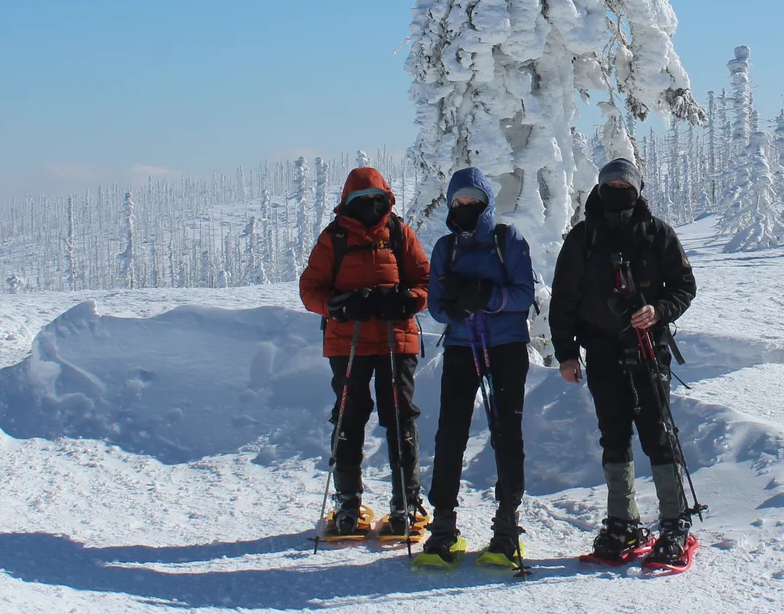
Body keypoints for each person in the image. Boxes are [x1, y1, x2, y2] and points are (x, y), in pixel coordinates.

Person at [548, 157, 699, 569]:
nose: (617, 191)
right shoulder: (582, 238)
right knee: (613, 435)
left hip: (649, 348)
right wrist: (566, 353)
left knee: (657, 431)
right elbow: (563, 300)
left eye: (624, 184)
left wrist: (658, 311)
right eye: (609, 185)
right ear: (598, 189)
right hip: (600, 350)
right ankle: (623, 522)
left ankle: (674, 523)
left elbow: (685, 287)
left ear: (638, 188)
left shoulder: (656, 234)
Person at [413, 167, 537, 570]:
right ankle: (444, 526)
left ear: (485, 202)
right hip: (462, 346)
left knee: (506, 431)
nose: (466, 207)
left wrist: (485, 296)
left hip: (506, 346)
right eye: (458, 202)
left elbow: (524, 295)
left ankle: (506, 526)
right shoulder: (445, 247)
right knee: (450, 433)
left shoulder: (508, 240)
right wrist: (452, 306)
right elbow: (433, 305)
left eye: (473, 201)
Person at [299, 167, 430, 540]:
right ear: (348, 203)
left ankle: (402, 501)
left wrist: (406, 300)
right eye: (363, 201)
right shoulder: (334, 238)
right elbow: (310, 289)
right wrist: (338, 306)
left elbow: (425, 280)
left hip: (392, 339)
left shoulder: (399, 233)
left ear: (386, 200)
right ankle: (350, 501)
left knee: (397, 417)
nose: (371, 207)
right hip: (350, 341)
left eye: (377, 200)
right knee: (351, 417)